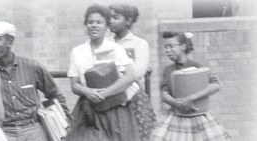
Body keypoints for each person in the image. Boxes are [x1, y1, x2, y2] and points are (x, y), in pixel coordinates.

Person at [66, 4, 154, 141]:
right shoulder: (77, 51)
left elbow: (130, 76)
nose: (94, 25)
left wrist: (103, 94)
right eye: (90, 22)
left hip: (116, 107)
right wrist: (88, 92)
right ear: (86, 25)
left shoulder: (116, 49)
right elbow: (74, 85)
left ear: (106, 25)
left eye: (99, 22)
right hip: (89, 108)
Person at [0, 21, 70, 141]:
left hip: (34, 131)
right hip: (3, 133)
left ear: (10, 41)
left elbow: (55, 95)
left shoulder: (32, 67)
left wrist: (65, 123)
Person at [151, 32, 231, 141]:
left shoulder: (197, 66)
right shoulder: (168, 70)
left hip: (198, 115)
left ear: (183, 46)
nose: (167, 50)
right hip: (176, 116)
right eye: (166, 47)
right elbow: (164, 95)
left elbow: (216, 85)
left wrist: (192, 98)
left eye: (171, 46)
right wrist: (177, 103)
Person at [109, 3, 156, 140]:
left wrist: (113, 71)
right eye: (109, 17)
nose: (110, 21)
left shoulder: (139, 44)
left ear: (128, 20)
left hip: (132, 97)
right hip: (109, 96)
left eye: (115, 17)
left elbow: (137, 72)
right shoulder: (106, 43)